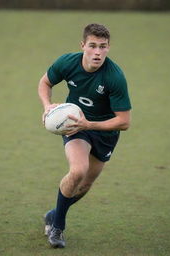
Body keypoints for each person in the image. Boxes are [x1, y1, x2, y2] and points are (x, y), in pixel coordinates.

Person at [38, 23, 132, 248]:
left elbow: (124, 121)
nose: (97, 52)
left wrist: (90, 124)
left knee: (85, 184)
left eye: (103, 47)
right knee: (78, 171)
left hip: (105, 131)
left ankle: (54, 214)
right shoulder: (68, 62)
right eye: (92, 46)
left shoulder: (114, 76)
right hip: (75, 126)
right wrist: (47, 105)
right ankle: (57, 228)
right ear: (83, 46)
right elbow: (45, 82)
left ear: (108, 48)